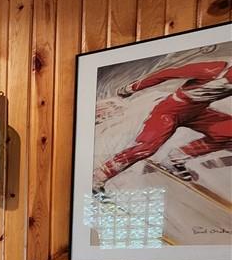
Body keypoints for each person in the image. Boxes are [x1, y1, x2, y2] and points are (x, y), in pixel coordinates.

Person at [93, 57, 232, 190]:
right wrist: (132, 88)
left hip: (196, 112)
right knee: (147, 148)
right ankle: (99, 176)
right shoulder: (214, 69)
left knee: (229, 131)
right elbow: (168, 73)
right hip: (169, 111)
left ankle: (176, 158)